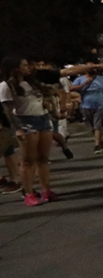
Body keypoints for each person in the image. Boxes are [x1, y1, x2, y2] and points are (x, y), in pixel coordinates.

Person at [0, 56, 58, 205]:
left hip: (42, 119)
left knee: (43, 158)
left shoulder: (32, 82)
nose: (28, 67)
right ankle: (28, 193)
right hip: (25, 121)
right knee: (28, 160)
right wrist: (17, 129)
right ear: (16, 68)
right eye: (25, 65)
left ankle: (46, 190)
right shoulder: (6, 86)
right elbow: (8, 110)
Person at [71, 65, 103, 154]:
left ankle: (97, 145)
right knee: (92, 126)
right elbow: (71, 88)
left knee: (98, 125)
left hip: (100, 104)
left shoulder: (101, 78)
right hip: (86, 105)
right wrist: (84, 84)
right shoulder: (80, 79)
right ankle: (100, 140)